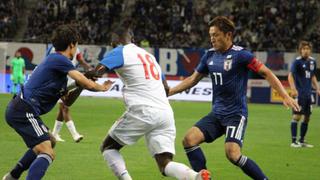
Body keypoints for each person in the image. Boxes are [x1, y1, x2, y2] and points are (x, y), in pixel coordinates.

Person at [168, 16, 300, 180]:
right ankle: (203, 177)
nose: (212, 39)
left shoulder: (241, 55)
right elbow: (192, 80)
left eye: (215, 34)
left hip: (235, 115)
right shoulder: (209, 56)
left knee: (232, 153)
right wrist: (169, 92)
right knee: (189, 140)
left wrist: (285, 95)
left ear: (228, 35)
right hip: (216, 115)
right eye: (210, 35)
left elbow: (266, 72)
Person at [94, 26, 211, 180]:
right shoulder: (150, 57)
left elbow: (96, 73)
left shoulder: (120, 51)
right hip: (165, 113)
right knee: (165, 164)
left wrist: (77, 81)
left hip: (143, 110)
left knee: (108, 147)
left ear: (114, 42)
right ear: (134, 40)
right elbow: (166, 87)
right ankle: (196, 176)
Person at [2, 25, 113, 180]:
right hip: (23, 110)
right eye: (77, 45)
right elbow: (86, 82)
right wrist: (103, 87)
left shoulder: (57, 69)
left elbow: (68, 100)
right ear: (72, 44)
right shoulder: (58, 58)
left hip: (22, 109)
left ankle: (13, 175)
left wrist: (80, 85)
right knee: (47, 152)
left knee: (50, 141)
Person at [47, 45, 92, 143]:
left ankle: (54, 134)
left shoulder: (76, 49)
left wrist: (89, 68)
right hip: (59, 80)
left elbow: (80, 60)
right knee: (65, 107)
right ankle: (75, 135)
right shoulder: (55, 48)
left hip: (70, 79)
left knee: (62, 109)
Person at [288, 41, 320, 148]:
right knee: (297, 116)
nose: (305, 51)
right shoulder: (297, 62)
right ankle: (293, 141)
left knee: (307, 118)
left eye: (307, 49)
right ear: (300, 50)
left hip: (308, 94)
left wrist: (318, 88)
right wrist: (293, 89)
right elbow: (290, 76)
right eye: (303, 49)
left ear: (310, 50)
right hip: (299, 94)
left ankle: (301, 141)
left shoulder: (312, 62)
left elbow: (313, 76)